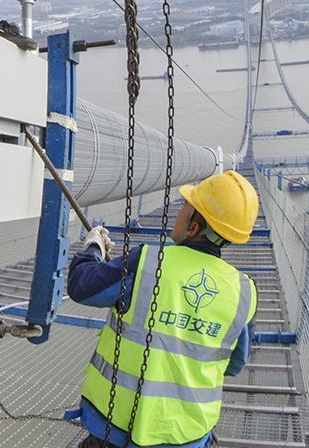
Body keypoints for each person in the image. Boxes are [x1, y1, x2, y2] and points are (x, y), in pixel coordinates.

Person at [67, 171, 260, 448]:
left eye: (185, 207)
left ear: (194, 228)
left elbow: (82, 286)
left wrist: (93, 248)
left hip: (115, 429)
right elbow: (234, 364)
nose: (179, 211)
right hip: (187, 436)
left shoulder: (147, 261)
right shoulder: (244, 292)